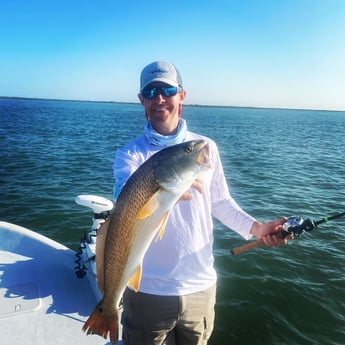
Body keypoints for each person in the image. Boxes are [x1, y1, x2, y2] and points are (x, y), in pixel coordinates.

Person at [113, 61, 288, 345]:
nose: (160, 98)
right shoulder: (130, 155)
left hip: (201, 287)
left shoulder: (203, 148)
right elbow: (125, 202)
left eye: (167, 90)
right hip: (148, 291)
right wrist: (164, 189)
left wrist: (258, 229)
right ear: (141, 100)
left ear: (181, 95)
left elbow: (219, 201)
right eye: (151, 91)